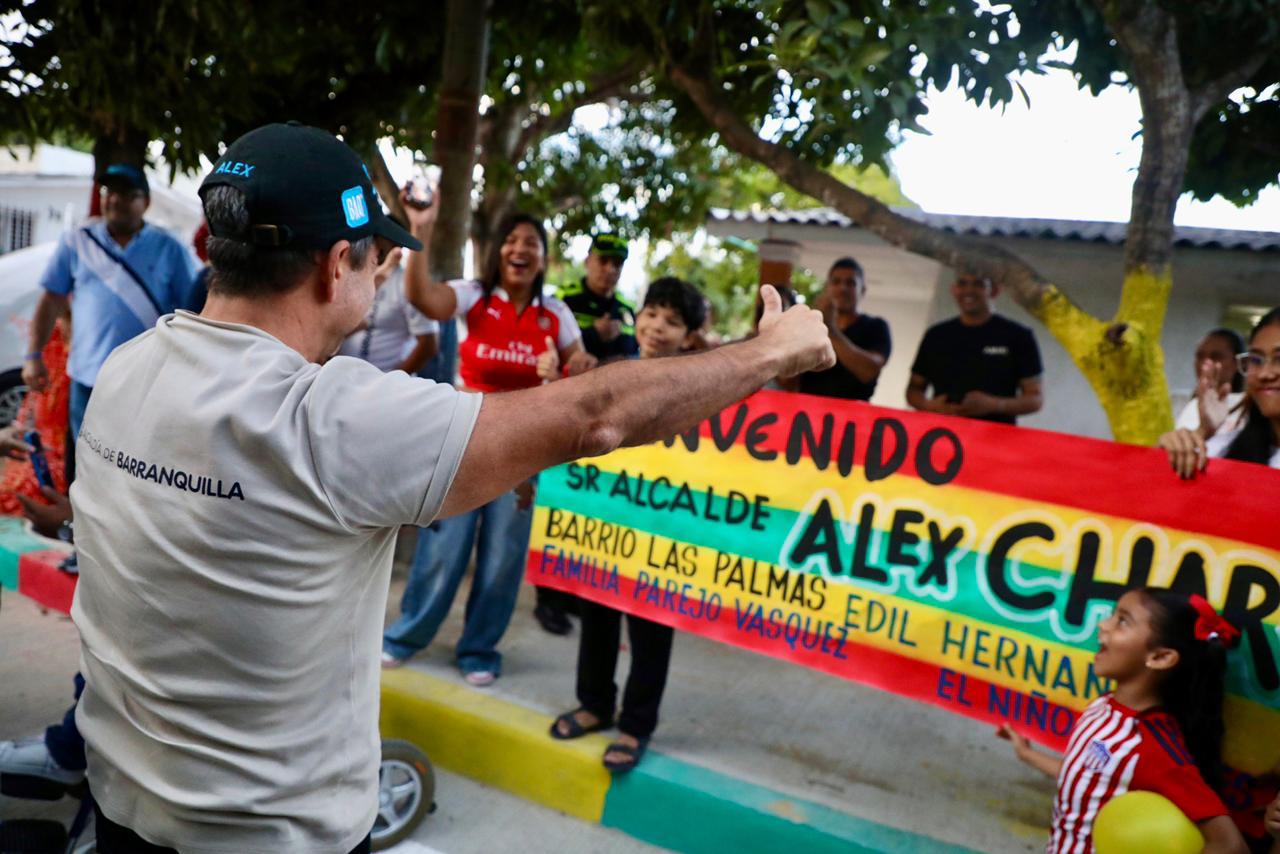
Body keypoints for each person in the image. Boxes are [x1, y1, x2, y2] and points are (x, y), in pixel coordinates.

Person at [64, 121, 833, 853]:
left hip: (122, 805)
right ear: (337, 266)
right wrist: (768, 353)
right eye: (376, 259)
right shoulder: (329, 418)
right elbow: (595, 416)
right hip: (271, 838)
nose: (382, 274)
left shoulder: (129, 368)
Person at [381, 205, 592, 682]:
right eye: (512, 241)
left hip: (524, 453)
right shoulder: (472, 296)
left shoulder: (555, 313)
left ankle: (478, 651)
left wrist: (574, 366)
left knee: (501, 557)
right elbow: (423, 297)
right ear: (498, 252)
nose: (521, 250)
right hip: (461, 441)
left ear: (543, 258)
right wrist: (421, 230)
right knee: (444, 548)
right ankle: (406, 636)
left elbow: (579, 362)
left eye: (532, 244)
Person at [548, 277, 705, 773]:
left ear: (691, 337)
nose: (658, 327)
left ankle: (636, 725)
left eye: (673, 321)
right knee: (597, 617)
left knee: (651, 631)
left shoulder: (698, 388)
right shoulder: (613, 372)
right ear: (638, 317)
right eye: (652, 313)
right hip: (608, 525)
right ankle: (595, 704)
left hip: (664, 534)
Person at [997, 588, 1249, 853]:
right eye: (1112, 616)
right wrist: (1027, 754)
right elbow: (1088, 778)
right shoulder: (1102, 706)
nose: (1102, 625)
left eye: (1122, 621)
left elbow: (1231, 846)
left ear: (1160, 657)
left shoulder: (1153, 747)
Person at [23, 163, 200, 446]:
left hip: (147, 383)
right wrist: (33, 356)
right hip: (87, 380)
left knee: (135, 465)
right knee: (83, 464)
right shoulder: (78, 241)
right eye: (109, 191)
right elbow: (52, 299)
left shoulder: (170, 247)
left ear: (146, 202)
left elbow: (192, 310)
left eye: (128, 194)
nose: (115, 199)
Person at [1159, 307, 1280, 478]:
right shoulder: (1229, 446)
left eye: (1279, 359)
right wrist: (1198, 436)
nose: (1264, 373)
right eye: (1255, 360)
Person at [906, 274, 1043, 424]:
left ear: (994, 291)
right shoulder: (936, 335)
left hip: (995, 437)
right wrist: (929, 406)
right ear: (954, 290)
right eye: (962, 284)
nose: (969, 290)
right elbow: (914, 389)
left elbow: (1035, 399)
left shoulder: (1018, 336)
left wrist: (994, 405)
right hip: (943, 434)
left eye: (978, 284)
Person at [796, 257, 891, 401]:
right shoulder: (810, 326)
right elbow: (788, 380)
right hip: (807, 413)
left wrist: (831, 331)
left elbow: (869, 371)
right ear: (827, 288)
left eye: (850, 283)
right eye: (836, 282)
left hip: (852, 418)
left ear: (862, 290)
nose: (842, 288)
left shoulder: (876, 326)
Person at [336, 246, 439, 373]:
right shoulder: (348, 274)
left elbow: (428, 344)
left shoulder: (407, 284)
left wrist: (392, 381)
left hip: (386, 383)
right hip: (343, 378)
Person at [557, 232, 638, 364]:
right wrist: (594, 334)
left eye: (617, 264)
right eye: (603, 260)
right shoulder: (562, 299)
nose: (610, 269)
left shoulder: (628, 309)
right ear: (587, 261)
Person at [1175, 328, 1246, 437]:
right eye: (1200, 356)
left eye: (1216, 357)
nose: (1205, 363)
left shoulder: (1248, 410)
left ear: (1239, 363)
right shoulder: (1177, 401)